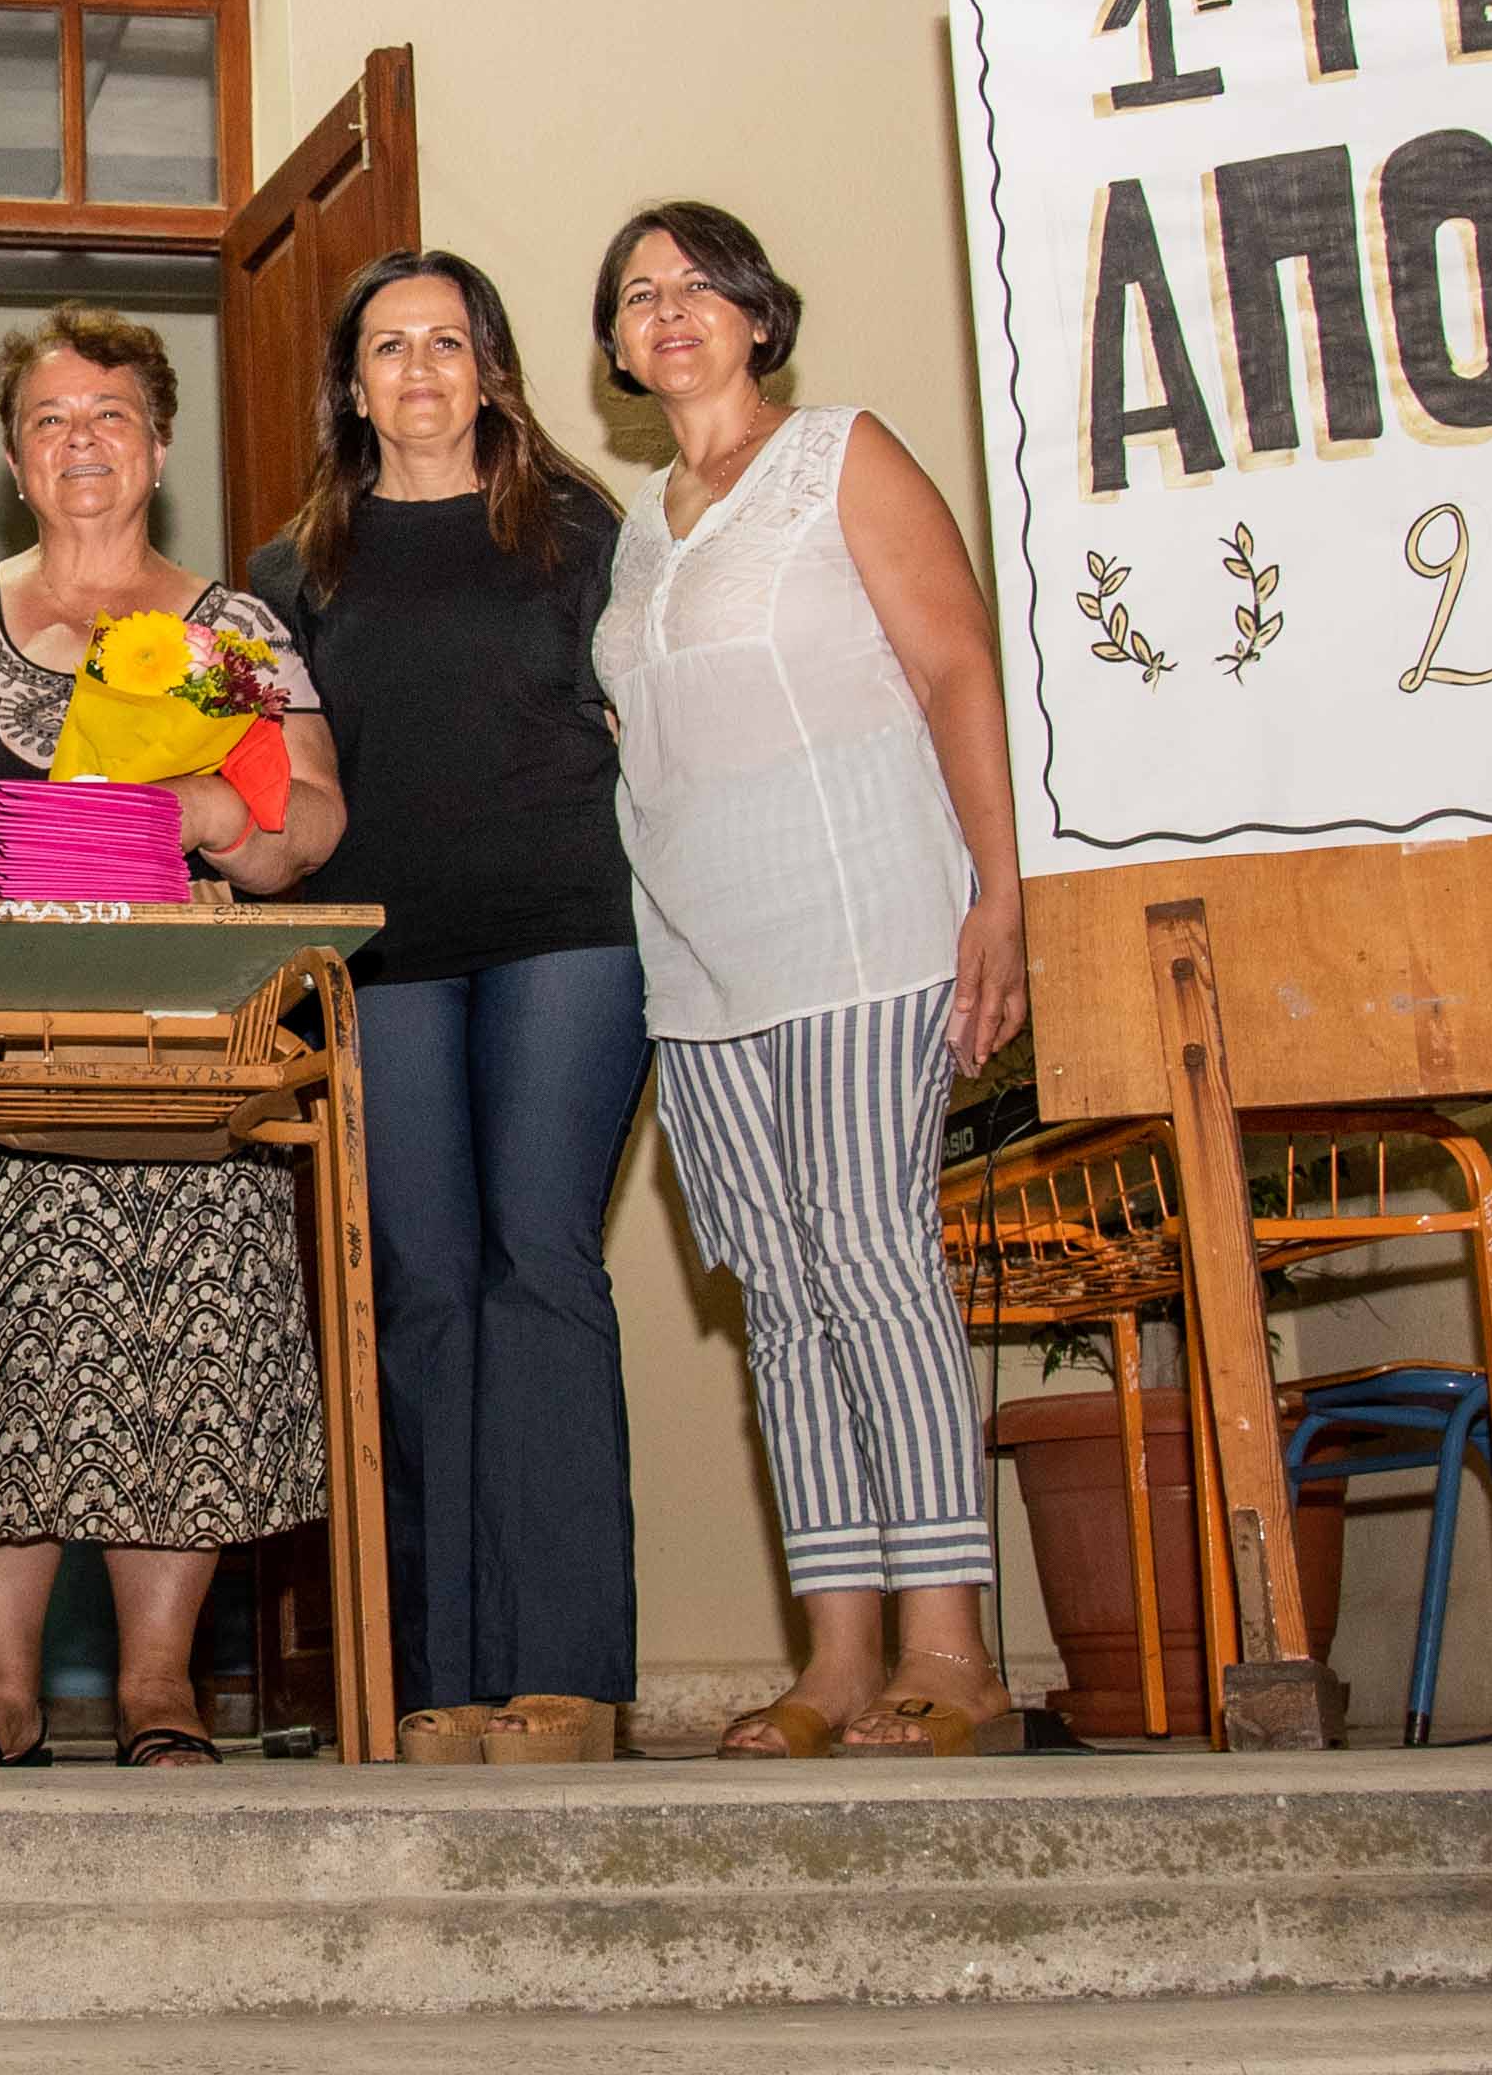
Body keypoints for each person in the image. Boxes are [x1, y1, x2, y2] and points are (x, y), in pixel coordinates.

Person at [589, 199, 1033, 1758]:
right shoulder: (641, 525)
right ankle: (837, 1656)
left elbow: (957, 664)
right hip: (700, 965)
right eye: (638, 294)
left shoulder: (840, 453)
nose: (670, 308)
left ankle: (952, 1649)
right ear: (617, 347)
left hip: (860, 923)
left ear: (759, 315)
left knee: (871, 1254)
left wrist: (1001, 894)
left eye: (699, 284)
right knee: (778, 1295)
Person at [246, 251, 648, 1758]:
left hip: (569, 937)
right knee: (416, 1288)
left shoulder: (581, 532)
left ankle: (567, 1675)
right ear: (351, 387)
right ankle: (438, 1678)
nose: (419, 369)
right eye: (389, 347)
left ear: (491, 370)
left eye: (448, 342)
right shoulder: (291, 573)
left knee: (538, 1263)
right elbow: (271, 791)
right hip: (382, 958)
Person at [0, 304, 344, 1768]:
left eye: (111, 415)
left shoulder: (236, 631)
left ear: (160, 447)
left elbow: (309, 823)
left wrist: (215, 814)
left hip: (188, 1044)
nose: (82, 442)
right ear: (13, 460)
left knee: (183, 1337)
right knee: (4, 1350)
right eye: (50, 420)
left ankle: (160, 1687)